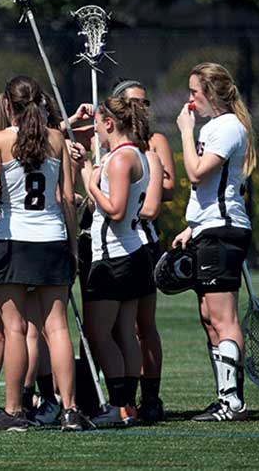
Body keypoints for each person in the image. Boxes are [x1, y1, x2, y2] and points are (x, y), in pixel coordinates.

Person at [0, 76, 92, 432]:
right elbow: (67, 199)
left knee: (15, 329)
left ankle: (15, 412)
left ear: (8, 106)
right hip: (52, 238)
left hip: (14, 241)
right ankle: (70, 410)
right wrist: (72, 246)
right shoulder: (57, 139)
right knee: (56, 327)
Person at [173, 62, 256, 422]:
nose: (190, 100)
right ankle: (224, 395)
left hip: (224, 230)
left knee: (223, 318)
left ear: (211, 93)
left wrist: (185, 132)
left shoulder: (226, 127)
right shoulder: (216, 126)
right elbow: (208, 190)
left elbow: (195, 172)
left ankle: (232, 400)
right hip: (210, 227)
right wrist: (193, 226)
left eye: (194, 92)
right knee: (209, 315)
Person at [78, 95, 155, 426]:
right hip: (130, 252)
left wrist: (91, 184)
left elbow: (116, 209)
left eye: (97, 122)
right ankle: (127, 406)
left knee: (99, 333)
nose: (94, 129)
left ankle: (119, 404)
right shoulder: (132, 154)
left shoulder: (122, 159)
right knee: (124, 331)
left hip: (115, 257)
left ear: (109, 123)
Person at [111, 79, 175, 421]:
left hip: (140, 240)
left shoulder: (152, 144)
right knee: (113, 324)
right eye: (132, 103)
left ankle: (150, 397)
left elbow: (164, 192)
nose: (140, 110)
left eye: (144, 103)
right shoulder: (111, 144)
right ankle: (118, 397)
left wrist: (140, 180)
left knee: (141, 324)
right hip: (109, 243)